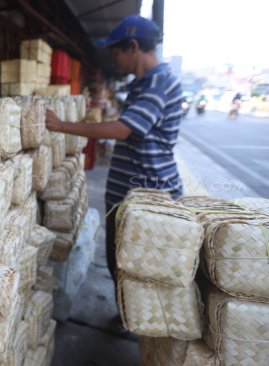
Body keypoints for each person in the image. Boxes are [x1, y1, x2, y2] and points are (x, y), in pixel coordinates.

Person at [45, 15, 184, 333]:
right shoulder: (143, 84)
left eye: (116, 53)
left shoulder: (159, 81)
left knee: (140, 266)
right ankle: (128, 315)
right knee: (119, 259)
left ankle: (141, 321)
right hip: (129, 193)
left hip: (150, 194)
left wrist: (63, 126)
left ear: (133, 47)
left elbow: (123, 129)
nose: (113, 60)